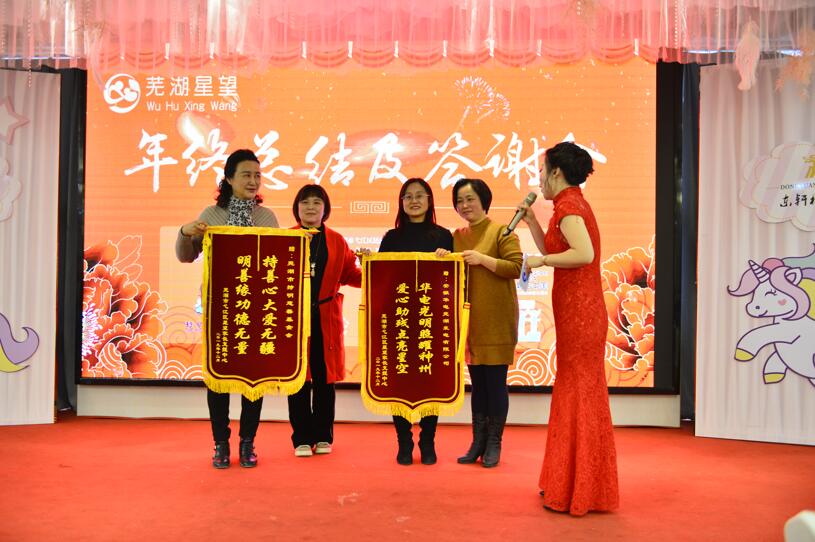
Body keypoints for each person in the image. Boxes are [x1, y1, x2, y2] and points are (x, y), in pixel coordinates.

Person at [521, 142, 619, 515]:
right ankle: (569, 482)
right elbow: (560, 246)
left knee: (579, 392)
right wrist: (532, 223)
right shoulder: (567, 205)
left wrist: (541, 260)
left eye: (542, 170)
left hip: (581, 314)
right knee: (575, 391)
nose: (540, 177)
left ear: (556, 172)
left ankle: (580, 487)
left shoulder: (570, 207)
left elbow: (583, 255)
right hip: (575, 312)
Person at [176, 148, 279, 469]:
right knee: (218, 379)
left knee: (254, 380)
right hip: (220, 311)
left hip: (257, 310)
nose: (253, 181)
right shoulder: (211, 214)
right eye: (246, 175)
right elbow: (185, 256)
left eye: (257, 175)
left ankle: (247, 442)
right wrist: (186, 232)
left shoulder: (267, 218)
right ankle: (220, 443)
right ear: (230, 179)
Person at [436, 178, 522, 468]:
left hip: (497, 319)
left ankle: (494, 443)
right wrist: (443, 258)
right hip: (469, 322)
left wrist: (483, 259)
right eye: (459, 201)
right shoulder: (457, 236)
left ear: (484, 200)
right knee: (478, 385)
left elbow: (516, 267)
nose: (465, 205)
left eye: (470, 199)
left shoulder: (502, 231)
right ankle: (478, 442)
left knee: (495, 383)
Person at [378, 178, 454, 466]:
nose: (414, 201)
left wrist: (447, 260)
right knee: (399, 381)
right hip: (398, 319)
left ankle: (428, 440)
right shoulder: (391, 238)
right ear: (401, 203)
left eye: (419, 196)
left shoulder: (443, 236)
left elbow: (452, 280)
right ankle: (404, 441)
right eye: (408, 196)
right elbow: (380, 279)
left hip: (430, 319)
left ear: (429, 201)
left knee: (430, 381)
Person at [287, 184, 362, 457]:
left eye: (316, 202)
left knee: (324, 379)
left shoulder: (337, 241)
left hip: (325, 318)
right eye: (305, 202)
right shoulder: (286, 238)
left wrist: (373, 266)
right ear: (297, 208)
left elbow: (352, 275)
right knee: (297, 379)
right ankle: (301, 438)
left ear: (325, 209)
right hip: (295, 320)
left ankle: (323, 436)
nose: (310, 207)